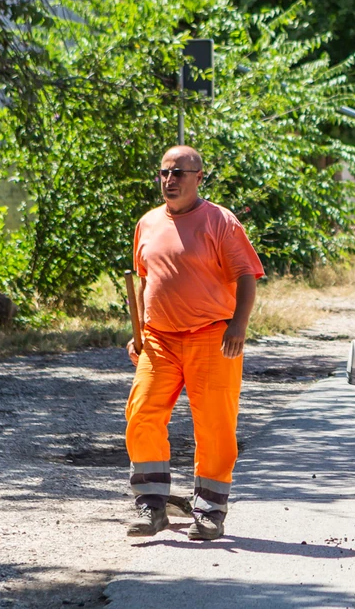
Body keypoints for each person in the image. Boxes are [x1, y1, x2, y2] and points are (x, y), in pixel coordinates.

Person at [124, 146, 264, 540]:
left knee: (215, 426)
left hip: (212, 337)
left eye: (179, 173)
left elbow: (246, 275)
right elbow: (145, 280)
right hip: (159, 340)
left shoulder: (221, 221)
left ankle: (209, 512)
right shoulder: (148, 223)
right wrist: (139, 332)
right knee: (142, 414)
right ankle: (151, 506)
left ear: (198, 177)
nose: (170, 180)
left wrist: (238, 326)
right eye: (164, 172)